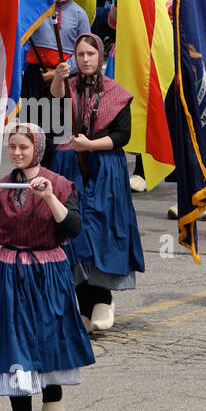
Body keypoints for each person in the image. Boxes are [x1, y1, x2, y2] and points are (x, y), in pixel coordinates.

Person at [0, 124, 94, 411]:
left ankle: (53, 397)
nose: (16, 153)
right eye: (12, 147)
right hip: (9, 268)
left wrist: (50, 198)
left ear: (37, 149)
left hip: (47, 267)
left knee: (49, 334)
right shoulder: (1, 184)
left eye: (23, 147)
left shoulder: (58, 183)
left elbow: (73, 227)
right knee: (14, 339)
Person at [49, 34, 144, 331]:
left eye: (91, 54)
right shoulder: (68, 85)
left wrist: (90, 146)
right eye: (80, 54)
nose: (86, 59)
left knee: (101, 230)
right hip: (69, 167)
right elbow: (52, 109)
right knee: (72, 232)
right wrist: (58, 80)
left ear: (99, 56)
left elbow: (122, 136)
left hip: (104, 168)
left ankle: (103, 297)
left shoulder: (116, 92)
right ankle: (83, 303)